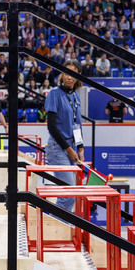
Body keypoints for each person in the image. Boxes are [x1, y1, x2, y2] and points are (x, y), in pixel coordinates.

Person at [45, 59, 84, 212]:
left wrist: (80, 147)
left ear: (78, 76)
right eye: (66, 73)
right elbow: (51, 126)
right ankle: (55, 225)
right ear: (62, 74)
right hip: (58, 147)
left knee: (70, 193)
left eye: (73, 73)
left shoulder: (75, 96)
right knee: (69, 194)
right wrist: (69, 150)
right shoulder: (54, 93)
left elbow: (77, 125)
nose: (69, 77)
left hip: (72, 147)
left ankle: (59, 226)